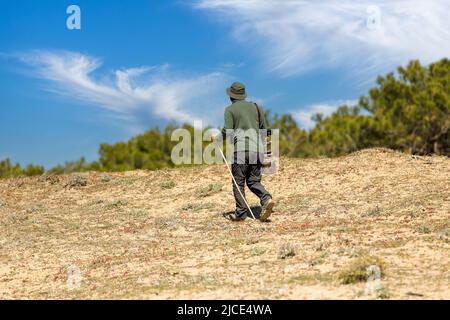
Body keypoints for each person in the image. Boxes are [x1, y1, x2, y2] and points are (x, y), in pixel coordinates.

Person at [214, 82, 275, 222]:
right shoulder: (256, 108)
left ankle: (241, 214)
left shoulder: (229, 110)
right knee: (253, 181)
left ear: (231, 96)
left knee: (238, 182)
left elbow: (228, 131)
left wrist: (218, 139)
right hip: (257, 149)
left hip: (241, 150)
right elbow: (264, 130)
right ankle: (266, 198)